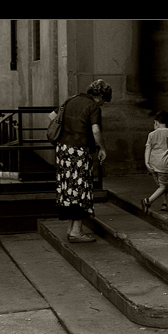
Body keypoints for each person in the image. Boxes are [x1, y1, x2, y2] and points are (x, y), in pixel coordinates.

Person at [55, 79, 112, 243]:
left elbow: (52, 116)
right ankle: (76, 232)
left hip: (63, 151)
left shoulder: (71, 99)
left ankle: (71, 228)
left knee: (69, 190)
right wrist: (102, 148)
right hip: (79, 151)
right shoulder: (93, 106)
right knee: (81, 189)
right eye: (103, 100)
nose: (102, 104)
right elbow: (95, 130)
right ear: (99, 95)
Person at [141, 111, 168, 214]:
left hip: (153, 164)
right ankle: (148, 201)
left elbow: (148, 148)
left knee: (161, 186)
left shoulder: (152, 134)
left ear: (156, 122)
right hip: (165, 164)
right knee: (164, 186)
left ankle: (165, 204)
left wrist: (147, 162)